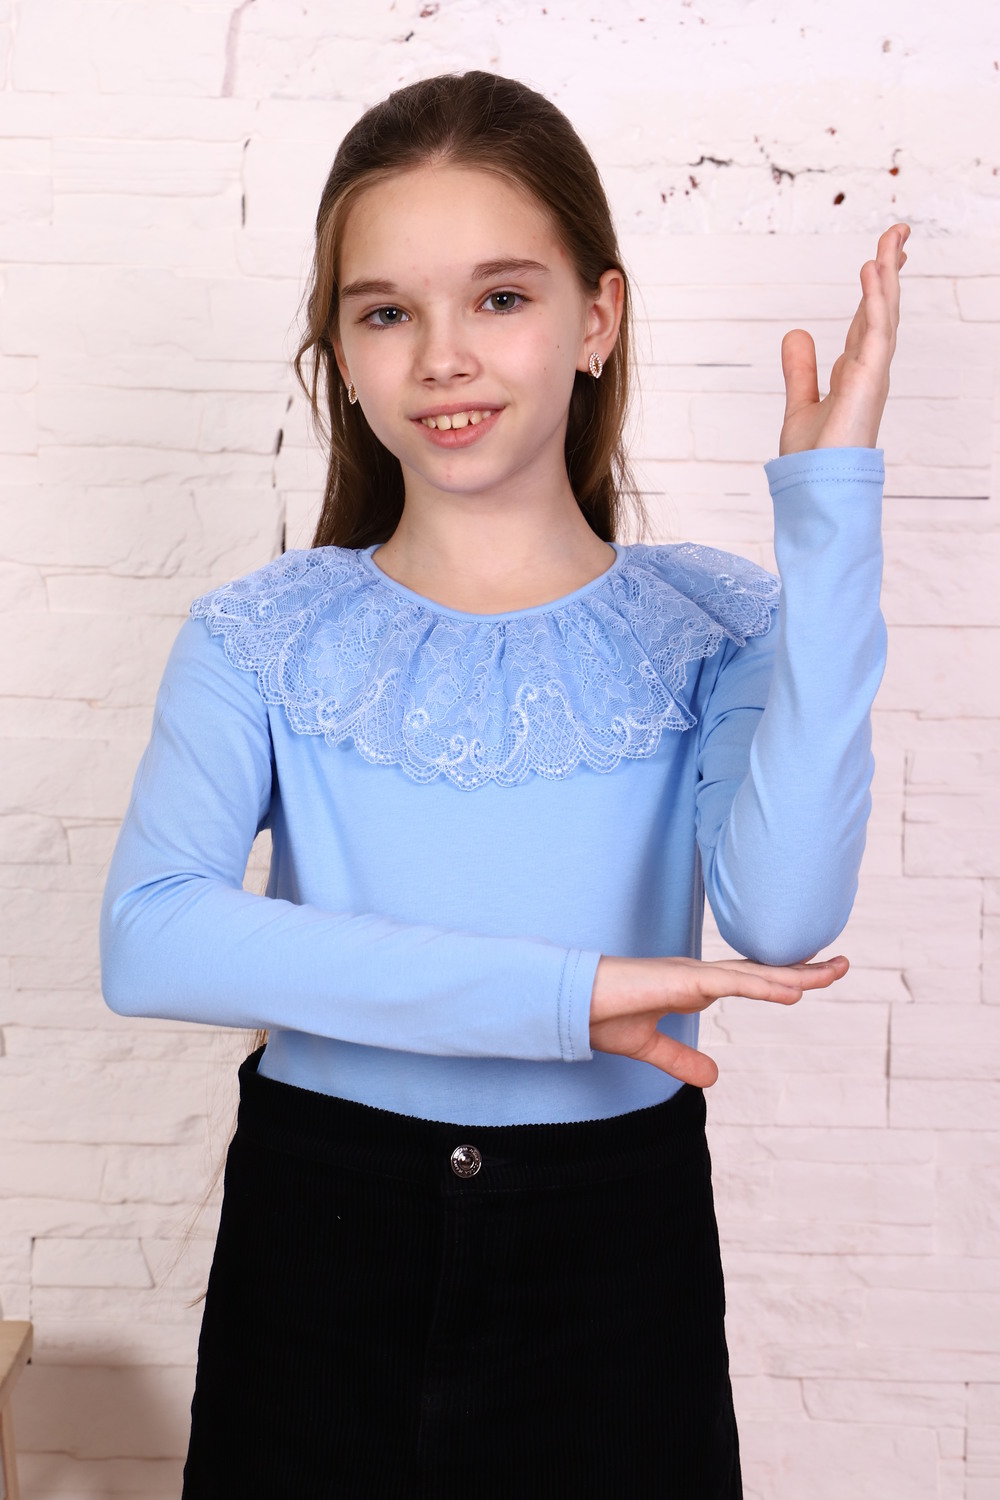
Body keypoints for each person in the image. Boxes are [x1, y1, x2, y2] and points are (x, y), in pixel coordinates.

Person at [99, 69, 906, 1500]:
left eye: (502, 297)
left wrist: (828, 527)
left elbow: (781, 919)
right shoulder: (261, 633)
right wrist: (558, 995)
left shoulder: (715, 624)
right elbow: (151, 936)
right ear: (341, 352)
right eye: (386, 312)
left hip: (615, 1253)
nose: (444, 358)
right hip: (322, 1236)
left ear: (598, 317)